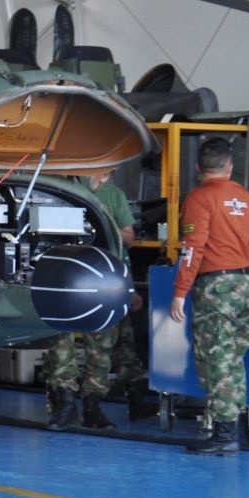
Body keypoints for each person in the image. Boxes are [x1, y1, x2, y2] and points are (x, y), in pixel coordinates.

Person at [169, 138, 249, 456]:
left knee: (215, 361)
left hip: (217, 288)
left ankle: (224, 434)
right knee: (234, 359)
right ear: (230, 166)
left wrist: (180, 292)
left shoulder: (199, 198)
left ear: (198, 168)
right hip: (246, 285)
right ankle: (228, 427)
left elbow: (193, 246)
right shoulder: (248, 199)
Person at [43, 166, 152, 430]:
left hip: (103, 277)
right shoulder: (61, 189)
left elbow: (128, 240)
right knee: (60, 342)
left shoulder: (113, 196)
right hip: (66, 276)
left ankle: (93, 404)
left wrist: (104, 220)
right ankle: (65, 403)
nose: (102, 174)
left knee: (102, 345)